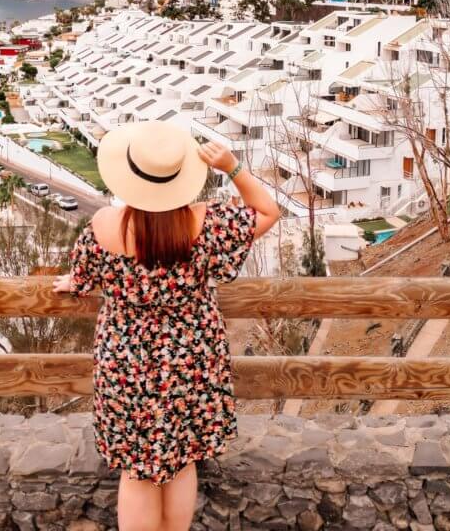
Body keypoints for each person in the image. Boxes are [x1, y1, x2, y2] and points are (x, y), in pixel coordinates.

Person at [53, 119, 281, 531]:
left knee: (136, 469)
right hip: (192, 358)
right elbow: (268, 210)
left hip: (126, 362)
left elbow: (82, 279)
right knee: (182, 458)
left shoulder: (103, 227)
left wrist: (76, 281)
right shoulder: (207, 224)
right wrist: (232, 167)